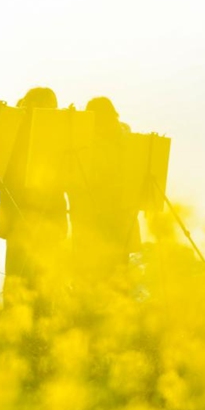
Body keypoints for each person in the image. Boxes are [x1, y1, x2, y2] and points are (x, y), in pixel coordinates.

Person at [0, 87, 68, 303]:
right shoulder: (16, 130)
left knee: (45, 277)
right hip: (20, 211)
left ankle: (40, 321)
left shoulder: (58, 135)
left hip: (51, 211)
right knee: (20, 275)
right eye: (49, 109)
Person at [68, 96, 140, 282]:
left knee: (116, 271)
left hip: (116, 213)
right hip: (93, 213)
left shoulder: (122, 138)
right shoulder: (86, 139)